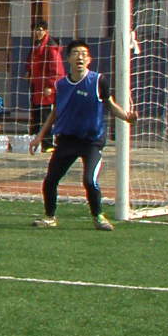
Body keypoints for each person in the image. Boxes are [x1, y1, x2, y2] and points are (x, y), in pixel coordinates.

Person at [33, 39, 137, 230]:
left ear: (89, 59)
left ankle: (98, 217)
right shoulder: (61, 85)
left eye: (83, 54)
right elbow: (56, 112)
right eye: (75, 53)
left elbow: (110, 105)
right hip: (66, 140)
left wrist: (126, 117)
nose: (80, 57)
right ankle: (49, 217)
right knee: (51, 180)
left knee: (89, 180)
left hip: (91, 141)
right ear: (68, 59)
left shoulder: (98, 80)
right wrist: (40, 136)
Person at [25, 21, 64, 148]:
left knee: (46, 115)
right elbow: (31, 61)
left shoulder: (51, 47)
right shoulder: (36, 45)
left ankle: (47, 143)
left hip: (45, 87)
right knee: (36, 113)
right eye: (36, 29)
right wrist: (28, 71)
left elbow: (56, 69)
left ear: (46, 31)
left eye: (40, 29)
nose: (38, 32)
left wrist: (51, 86)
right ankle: (36, 140)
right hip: (36, 86)